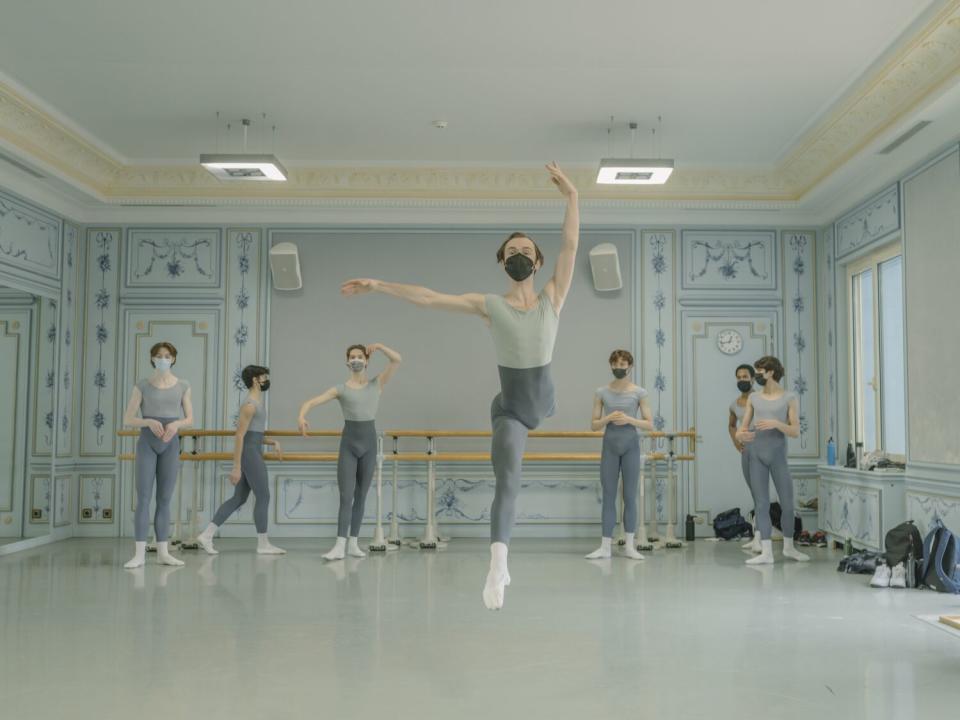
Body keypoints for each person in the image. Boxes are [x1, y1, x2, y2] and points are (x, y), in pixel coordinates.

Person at [341, 162, 579, 609]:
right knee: (507, 478)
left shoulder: (553, 297)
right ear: (502, 262)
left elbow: (570, 244)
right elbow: (430, 297)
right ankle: (498, 565)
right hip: (509, 408)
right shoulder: (489, 305)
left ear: (538, 261)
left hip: (543, 402)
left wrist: (573, 197)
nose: (520, 255)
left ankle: (499, 561)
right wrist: (378, 285)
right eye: (512, 250)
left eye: (526, 249)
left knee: (527, 427)